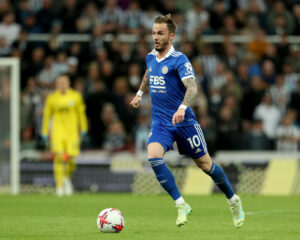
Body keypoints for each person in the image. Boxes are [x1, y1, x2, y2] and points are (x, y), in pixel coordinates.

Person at [130, 14, 245, 227]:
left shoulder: (180, 60)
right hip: (161, 122)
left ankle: (233, 200)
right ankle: (181, 203)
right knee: (154, 158)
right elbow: (148, 74)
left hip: (184, 123)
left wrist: (183, 107)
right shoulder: (150, 56)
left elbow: (192, 87)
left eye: (160, 33)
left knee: (205, 165)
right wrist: (139, 93)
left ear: (171, 36)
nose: (155, 37)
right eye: (154, 33)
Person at [41, 75, 87, 196]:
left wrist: (84, 128)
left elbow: (81, 114)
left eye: (64, 82)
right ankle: (59, 186)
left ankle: (66, 178)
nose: (61, 84)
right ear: (56, 84)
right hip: (57, 132)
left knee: (72, 160)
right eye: (59, 83)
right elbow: (47, 116)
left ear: (68, 83)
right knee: (59, 157)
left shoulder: (75, 96)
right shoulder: (52, 98)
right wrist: (45, 132)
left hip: (72, 132)